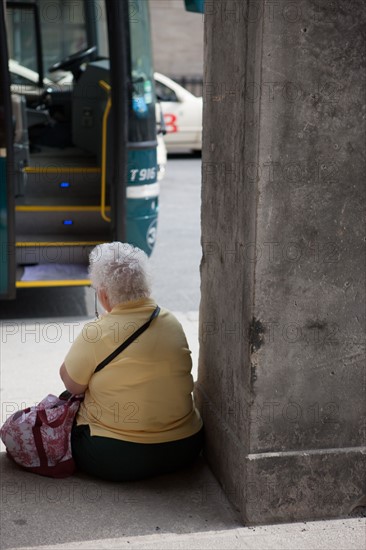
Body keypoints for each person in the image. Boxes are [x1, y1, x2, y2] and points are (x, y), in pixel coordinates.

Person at [59, 242, 203, 481]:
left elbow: (71, 385)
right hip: (185, 447)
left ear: (103, 294)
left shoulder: (97, 332)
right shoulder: (171, 322)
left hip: (115, 456)